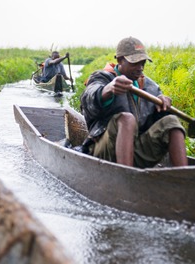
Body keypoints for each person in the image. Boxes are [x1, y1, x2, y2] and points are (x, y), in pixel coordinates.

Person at [80, 37, 188, 168]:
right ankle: (127, 177)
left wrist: (163, 106)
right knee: (127, 119)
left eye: (143, 63)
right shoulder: (103, 78)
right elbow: (88, 98)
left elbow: (156, 124)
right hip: (104, 151)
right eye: (135, 63)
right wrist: (108, 89)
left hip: (135, 151)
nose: (140, 68)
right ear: (120, 60)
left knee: (172, 121)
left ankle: (183, 176)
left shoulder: (149, 86)